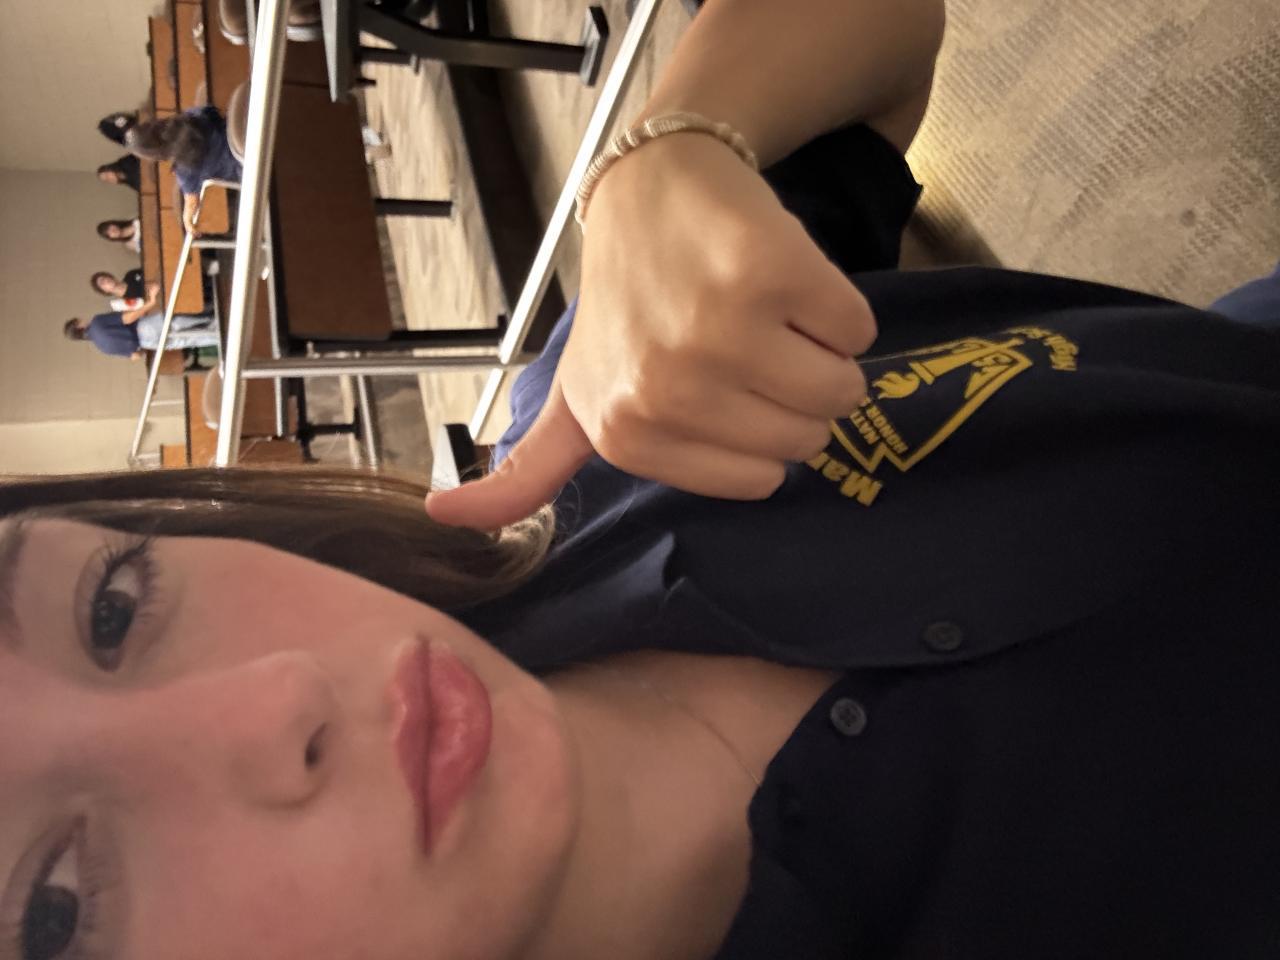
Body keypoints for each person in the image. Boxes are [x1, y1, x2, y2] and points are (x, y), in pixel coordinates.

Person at [5, 2, 1279, 959]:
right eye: (56, 908)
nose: (273, 700)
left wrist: (663, 159)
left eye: (111, 605)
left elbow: (885, 27)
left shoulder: (606, 434)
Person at [125, 107, 241, 235]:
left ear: (152, 153)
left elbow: (192, 205)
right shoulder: (190, 116)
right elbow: (212, 110)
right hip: (246, 132)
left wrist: (187, 221)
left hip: (244, 165)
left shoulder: (185, 172)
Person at [64, 285, 217, 360]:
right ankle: (214, 319)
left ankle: (218, 336)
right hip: (144, 328)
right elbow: (127, 318)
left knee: (189, 340)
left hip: (147, 343)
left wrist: (142, 349)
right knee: (182, 320)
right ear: (78, 325)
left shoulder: (102, 348)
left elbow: (135, 356)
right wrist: (150, 303)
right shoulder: (97, 322)